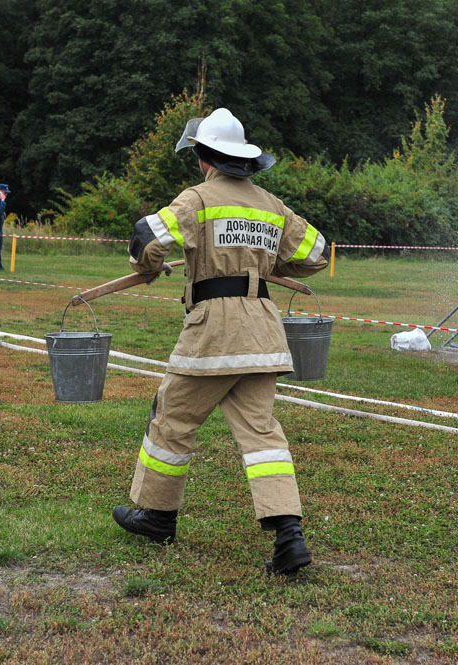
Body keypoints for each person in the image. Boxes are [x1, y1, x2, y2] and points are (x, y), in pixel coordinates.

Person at [112, 108, 329, 575]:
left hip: (214, 328)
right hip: (263, 330)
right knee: (262, 434)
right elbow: (317, 252)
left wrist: (145, 267)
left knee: (172, 418)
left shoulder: (198, 198)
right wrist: (268, 264)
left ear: (205, 158)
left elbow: (147, 234)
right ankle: (289, 536)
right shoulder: (271, 205)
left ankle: (156, 516)